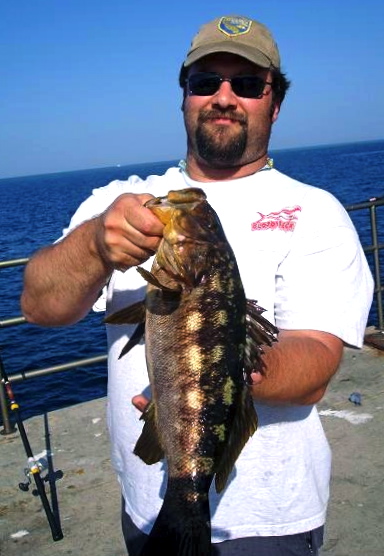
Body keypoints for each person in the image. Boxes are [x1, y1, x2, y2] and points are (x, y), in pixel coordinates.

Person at [21, 14, 373, 556]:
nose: (224, 97)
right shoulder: (116, 202)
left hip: (270, 519)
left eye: (249, 85)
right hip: (145, 507)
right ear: (184, 97)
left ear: (274, 104)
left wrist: (201, 380)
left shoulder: (316, 211)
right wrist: (94, 245)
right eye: (205, 82)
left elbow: (314, 371)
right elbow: (41, 306)